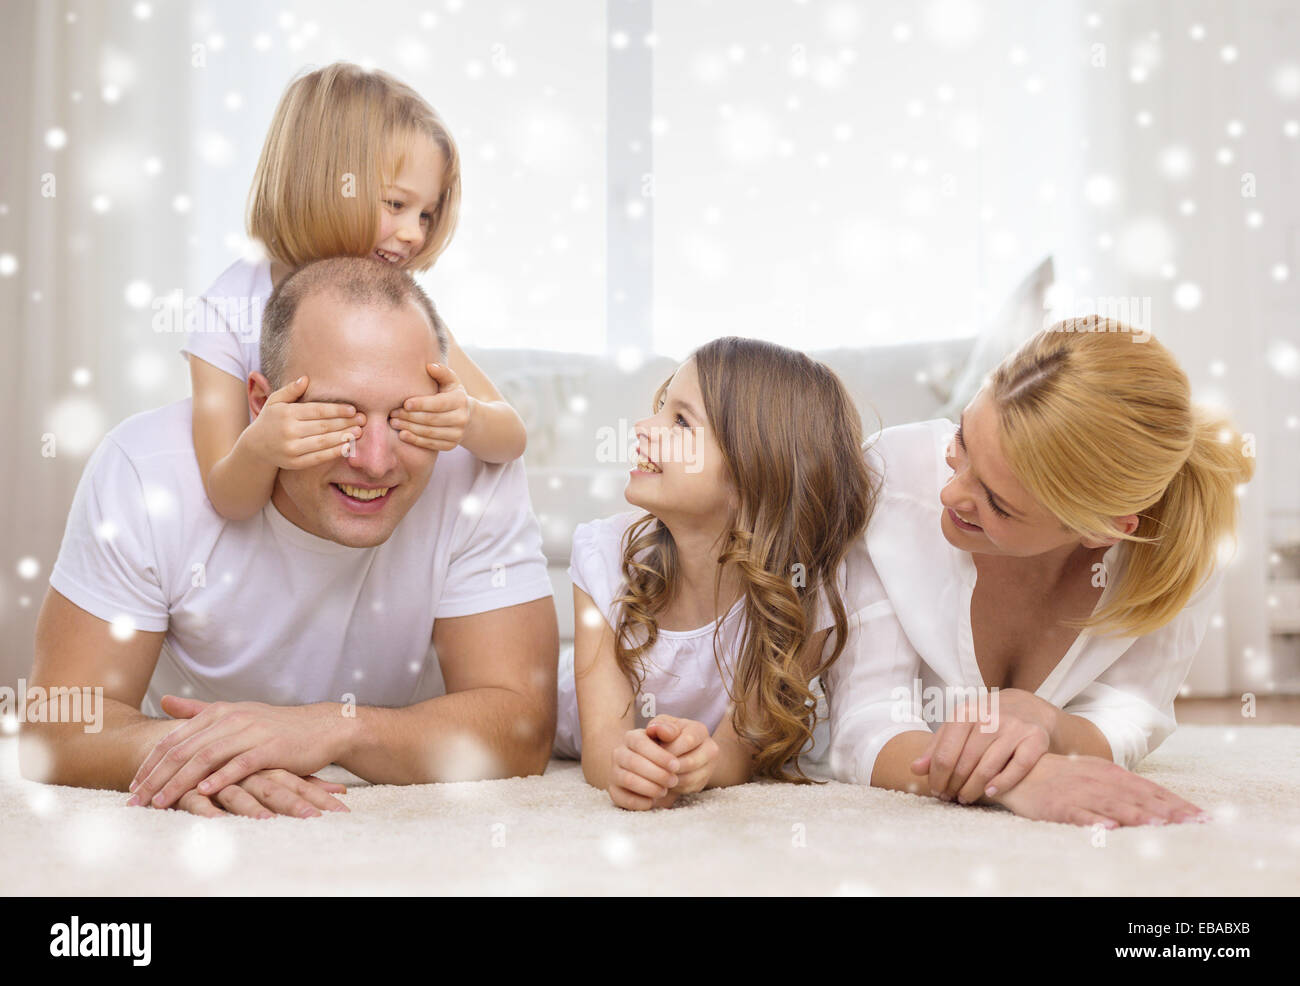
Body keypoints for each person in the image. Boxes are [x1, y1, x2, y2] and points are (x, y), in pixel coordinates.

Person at [22, 257, 558, 819]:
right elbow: (56, 729)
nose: (374, 462)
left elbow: (521, 730)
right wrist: (213, 756)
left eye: (407, 417)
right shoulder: (145, 468)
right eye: (335, 415)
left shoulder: (474, 470)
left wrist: (333, 729)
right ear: (261, 403)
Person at [826, 318, 1255, 827]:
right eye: (963, 440)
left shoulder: (1178, 541)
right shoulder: (885, 484)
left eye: (998, 504)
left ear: (1102, 531)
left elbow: (1132, 711)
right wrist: (1019, 780)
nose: (950, 494)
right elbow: (864, 722)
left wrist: (1048, 723)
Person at [185, 61, 526, 523]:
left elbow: (511, 439)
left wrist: (468, 418)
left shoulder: (399, 309)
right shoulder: (225, 311)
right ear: (321, 181)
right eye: (397, 205)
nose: (414, 235)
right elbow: (230, 500)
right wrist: (261, 449)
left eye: (425, 215)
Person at [559, 337, 880, 810]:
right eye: (661, 408)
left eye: (681, 421)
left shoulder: (802, 593)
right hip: (567, 726)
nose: (644, 427)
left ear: (756, 471)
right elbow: (602, 743)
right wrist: (624, 763)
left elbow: (736, 752)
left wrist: (698, 766)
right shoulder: (604, 556)